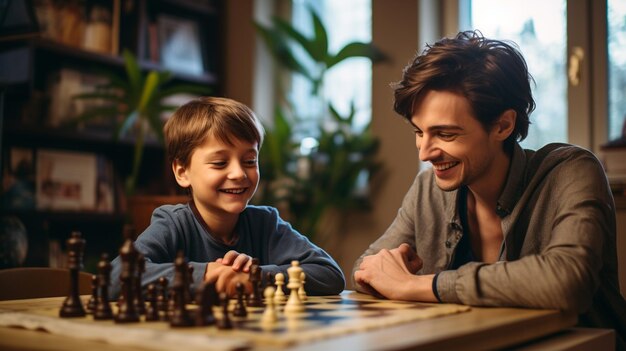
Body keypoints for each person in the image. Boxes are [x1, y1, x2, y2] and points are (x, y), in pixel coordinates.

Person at [352, 30, 626, 348]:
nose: (425, 153)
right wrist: (389, 272)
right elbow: (366, 267)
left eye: (445, 133)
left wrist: (418, 286)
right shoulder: (429, 188)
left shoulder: (572, 170)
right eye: (419, 132)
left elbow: (567, 282)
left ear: (503, 126)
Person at [110, 97, 345, 298]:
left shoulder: (265, 224)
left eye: (249, 161)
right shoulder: (172, 224)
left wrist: (254, 276)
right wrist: (208, 274)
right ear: (182, 172)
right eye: (220, 163)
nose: (239, 173)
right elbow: (116, 276)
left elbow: (330, 274)